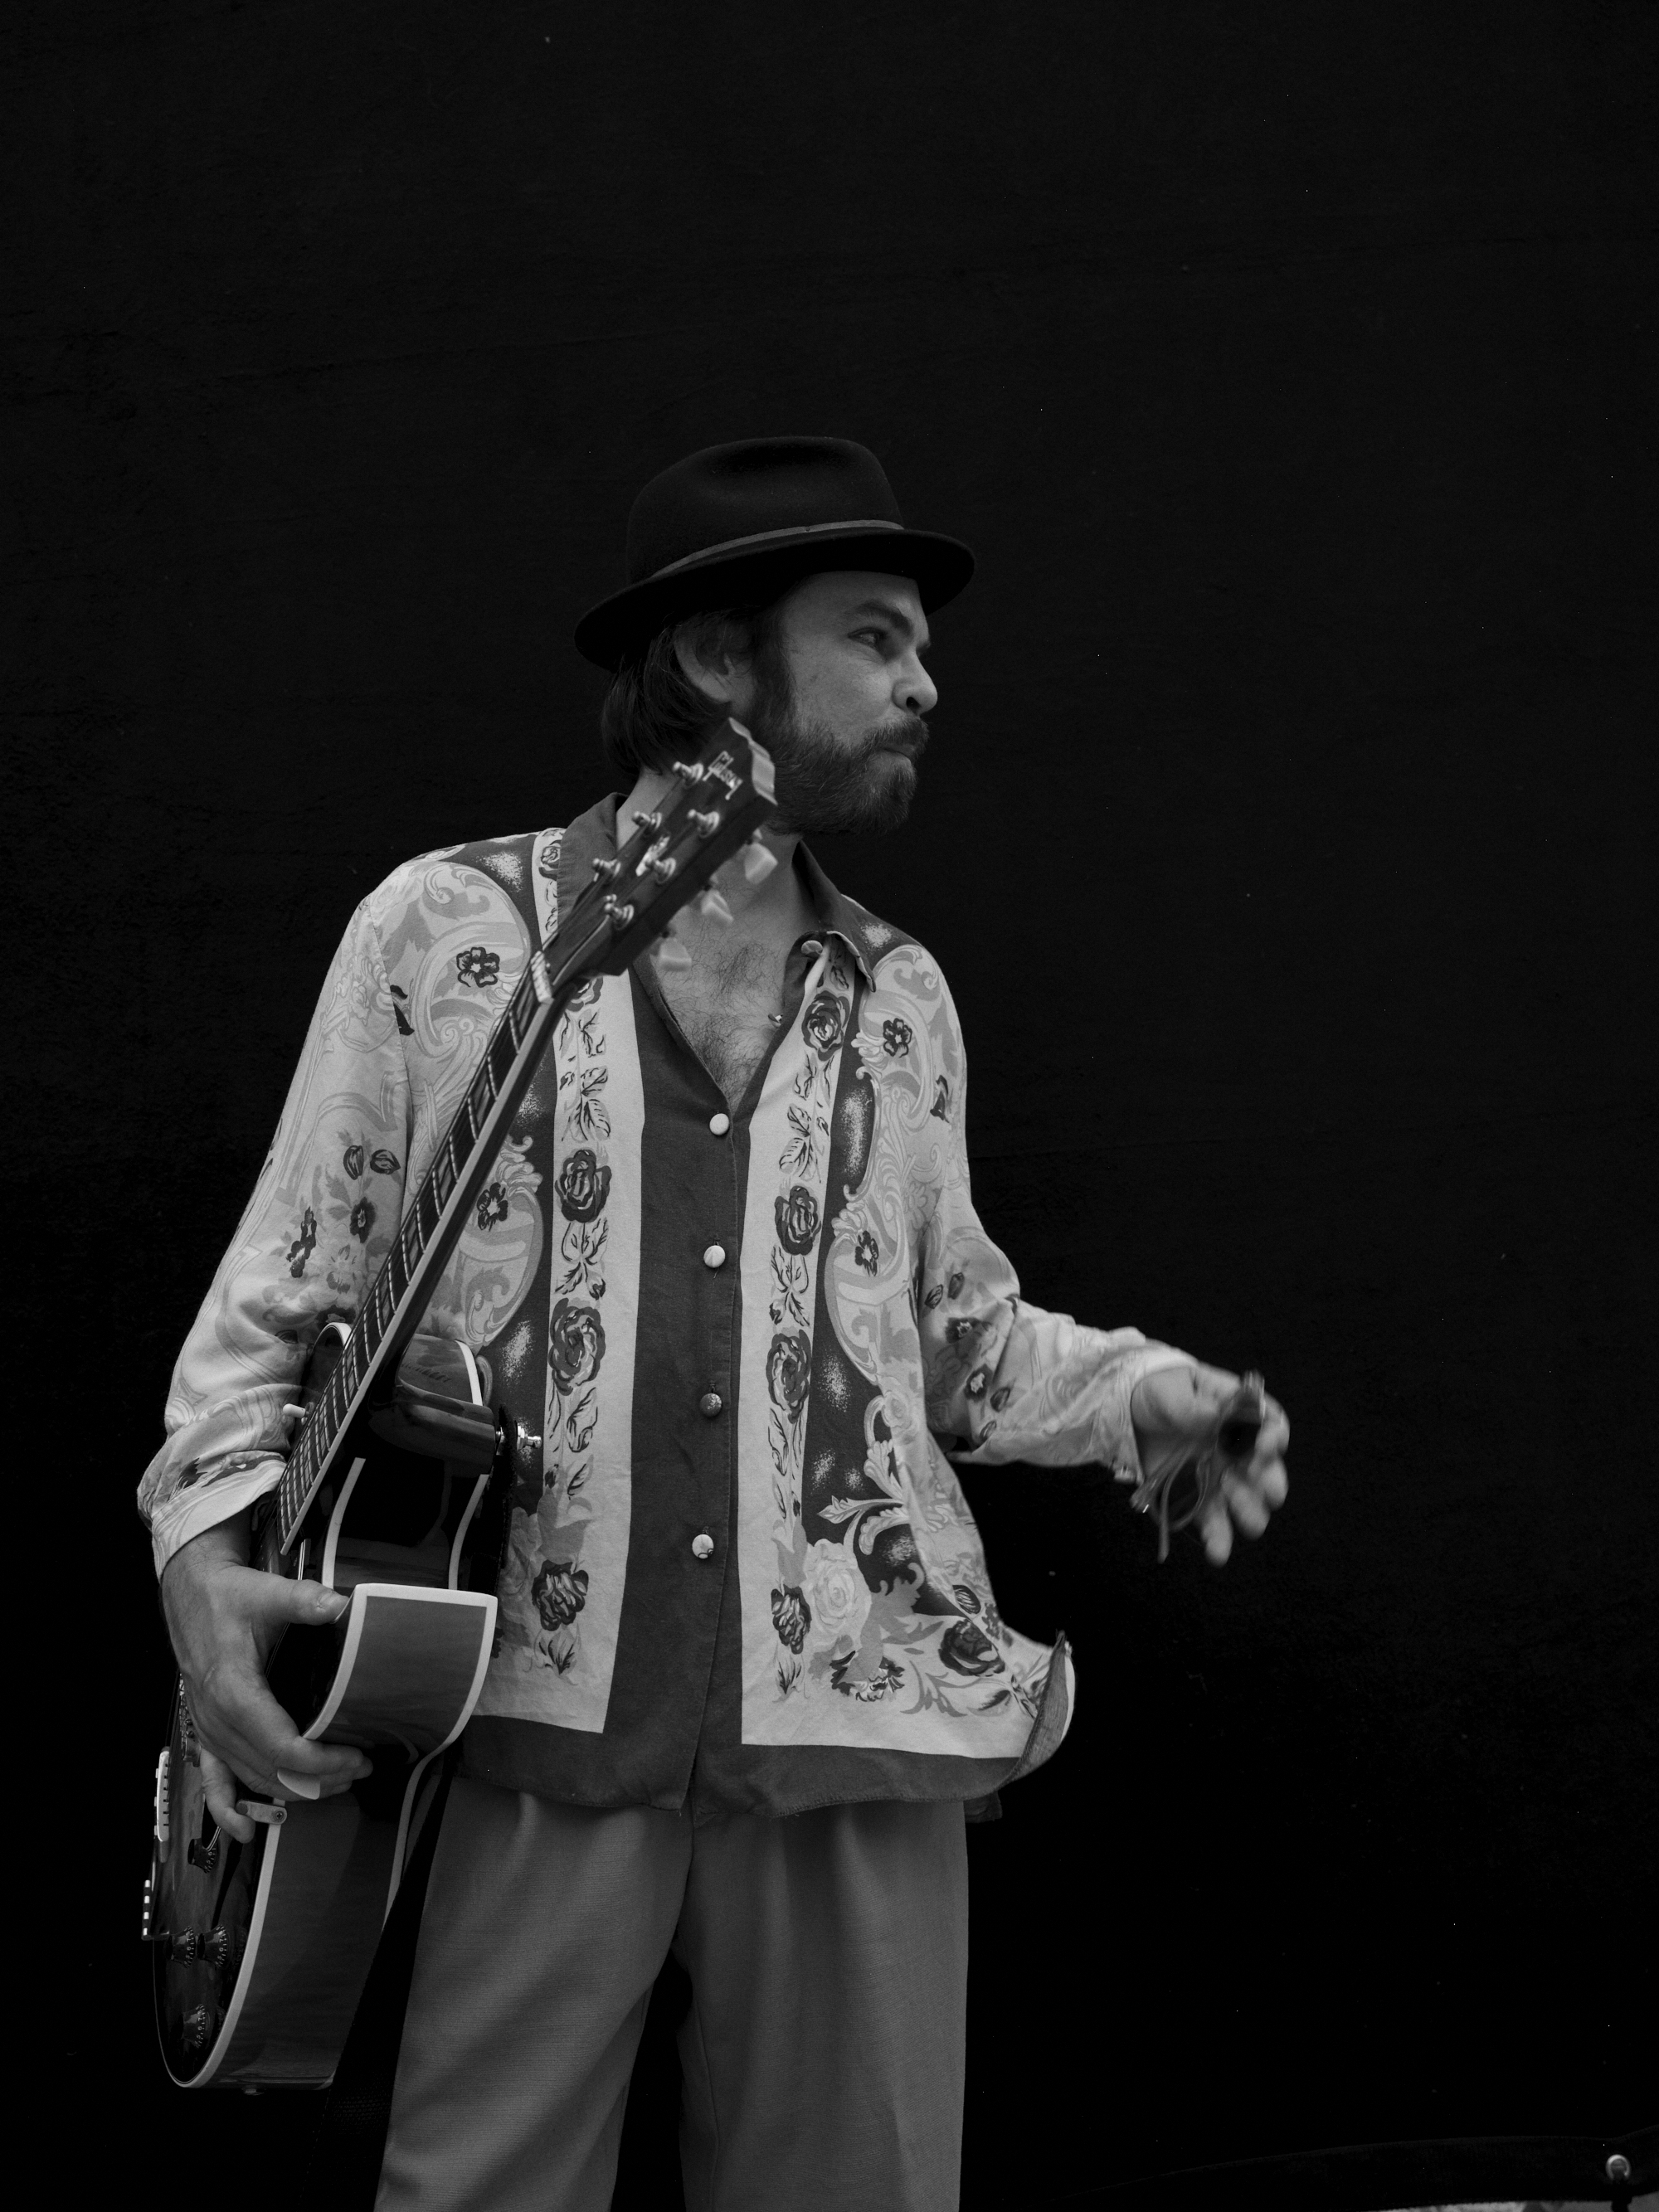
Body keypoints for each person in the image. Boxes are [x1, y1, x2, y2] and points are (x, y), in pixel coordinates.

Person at [143, 435, 1291, 2212]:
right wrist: (201, 1566)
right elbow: (278, 1291)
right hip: (527, 1703)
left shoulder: (898, 993)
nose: (926, 683)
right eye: (874, 637)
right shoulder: (446, 932)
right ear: (712, 659)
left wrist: (1146, 1397)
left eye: (918, 645)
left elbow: (956, 1341)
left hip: (859, 1715)